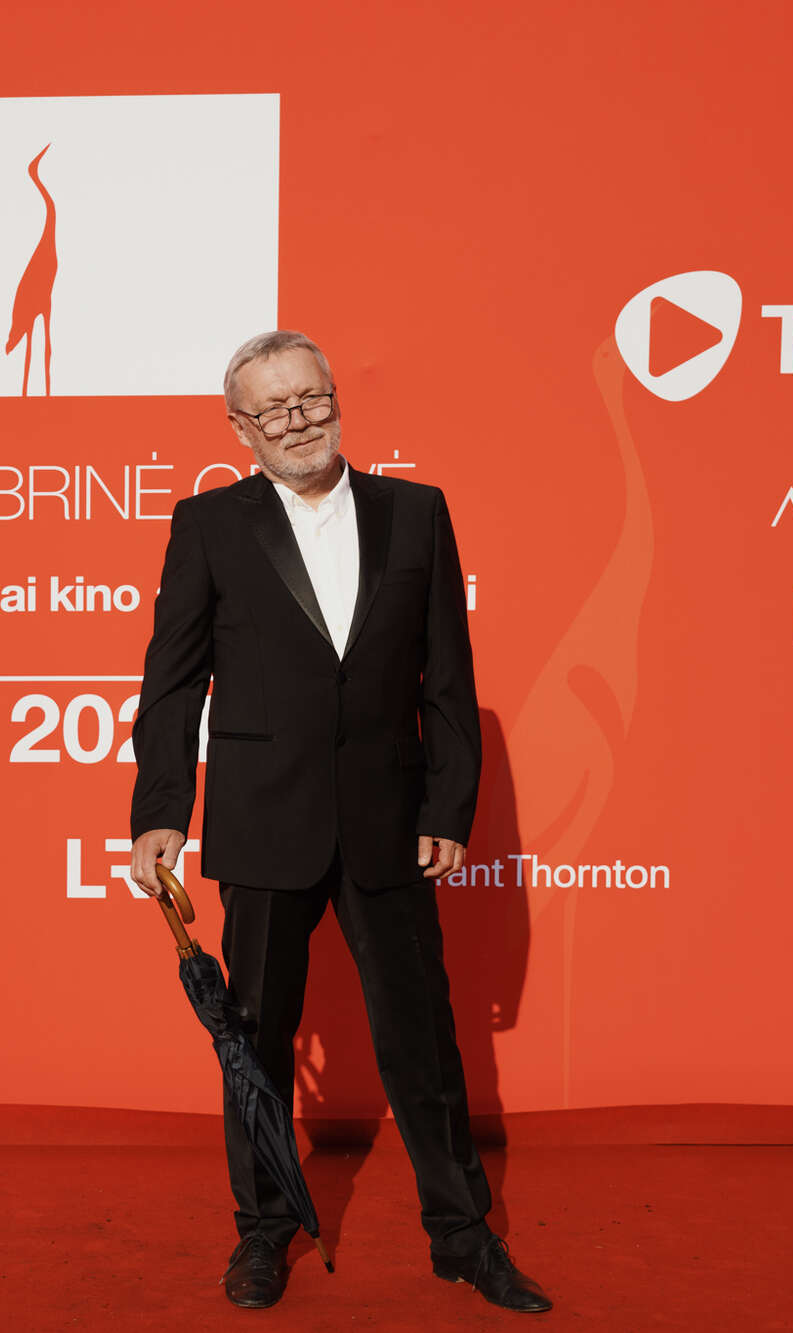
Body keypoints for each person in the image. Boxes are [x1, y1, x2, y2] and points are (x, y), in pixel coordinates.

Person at [126, 330, 551, 1313]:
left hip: (388, 820)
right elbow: (172, 681)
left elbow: (447, 675)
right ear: (239, 428)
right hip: (261, 819)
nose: (295, 421)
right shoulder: (208, 525)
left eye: (308, 399)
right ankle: (263, 1229)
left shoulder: (416, 513)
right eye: (270, 409)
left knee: (422, 1040)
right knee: (254, 1041)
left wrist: (447, 804)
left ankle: (461, 1236)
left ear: (334, 400)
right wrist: (160, 811)